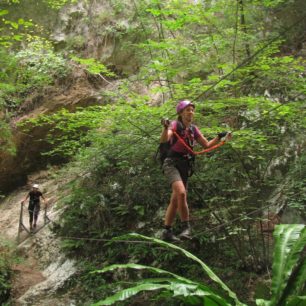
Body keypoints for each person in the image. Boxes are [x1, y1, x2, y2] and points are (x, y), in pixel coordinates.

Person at [160, 100, 231, 241]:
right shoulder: (174, 125)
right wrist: (165, 127)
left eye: (192, 110)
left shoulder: (193, 129)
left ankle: (167, 231)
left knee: (175, 199)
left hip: (185, 165)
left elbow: (206, 144)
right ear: (181, 113)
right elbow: (164, 140)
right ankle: (186, 227)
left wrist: (219, 136)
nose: (191, 112)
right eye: (187, 110)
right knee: (181, 193)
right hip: (171, 163)